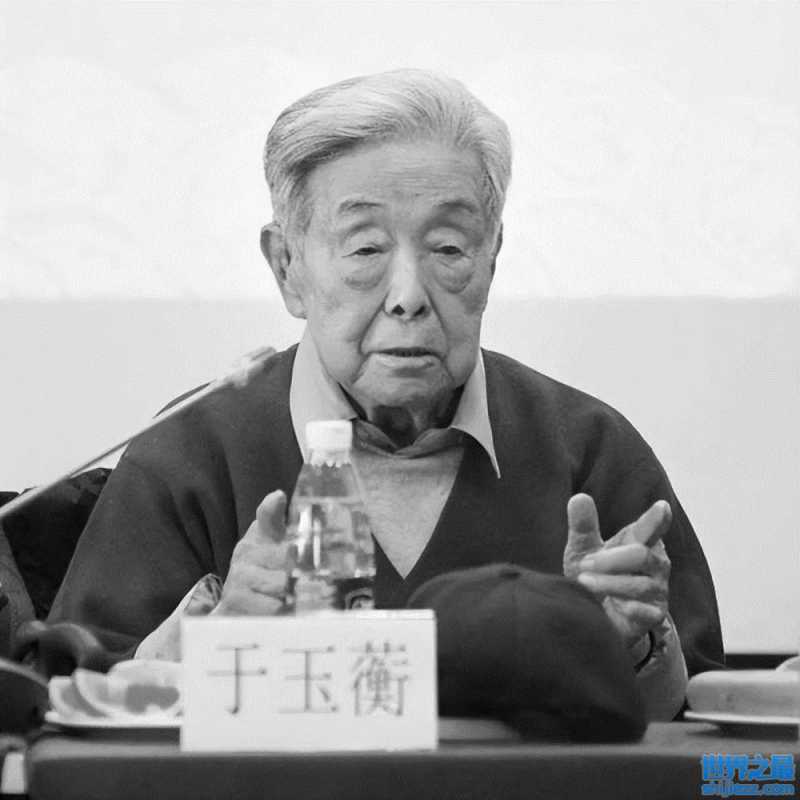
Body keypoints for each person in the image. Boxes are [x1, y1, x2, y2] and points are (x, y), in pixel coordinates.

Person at [49, 69, 724, 721]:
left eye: (448, 248)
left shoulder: (589, 449)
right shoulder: (192, 449)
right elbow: (74, 714)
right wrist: (219, 643)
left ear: (492, 258)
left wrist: (626, 648)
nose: (408, 296)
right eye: (366, 249)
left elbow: (706, 737)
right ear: (287, 267)